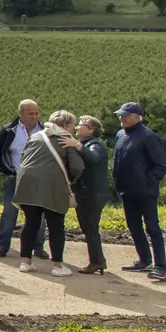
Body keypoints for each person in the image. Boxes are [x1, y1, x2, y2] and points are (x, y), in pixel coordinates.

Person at [13, 111, 84, 277]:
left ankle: (25, 262)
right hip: (53, 186)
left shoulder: (36, 136)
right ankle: (57, 266)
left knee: (30, 223)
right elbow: (77, 167)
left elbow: (24, 157)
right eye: (72, 125)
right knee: (56, 226)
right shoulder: (65, 139)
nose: (73, 129)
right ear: (66, 125)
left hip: (27, 184)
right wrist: (69, 180)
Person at [113, 102, 166, 282]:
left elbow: (161, 166)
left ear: (137, 117)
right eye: (121, 115)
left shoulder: (149, 137)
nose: (122, 118)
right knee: (134, 226)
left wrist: (146, 182)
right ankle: (144, 259)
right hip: (127, 191)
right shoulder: (120, 135)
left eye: (126, 115)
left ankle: (160, 267)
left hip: (145, 192)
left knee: (152, 227)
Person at [0, 100, 47, 259]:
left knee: (40, 215)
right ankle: (2, 246)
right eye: (31, 114)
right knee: (9, 212)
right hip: (16, 178)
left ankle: (38, 247)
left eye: (36, 113)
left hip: (38, 181)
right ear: (21, 113)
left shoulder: (45, 131)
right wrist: (7, 170)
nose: (35, 117)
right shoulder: (9, 130)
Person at [73, 115, 111, 275]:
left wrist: (78, 146)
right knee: (89, 227)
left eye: (81, 125)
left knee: (90, 227)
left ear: (91, 129)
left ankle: (96, 261)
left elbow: (93, 159)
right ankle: (98, 260)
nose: (77, 128)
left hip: (92, 194)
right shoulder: (87, 144)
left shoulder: (96, 145)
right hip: (89, 192)